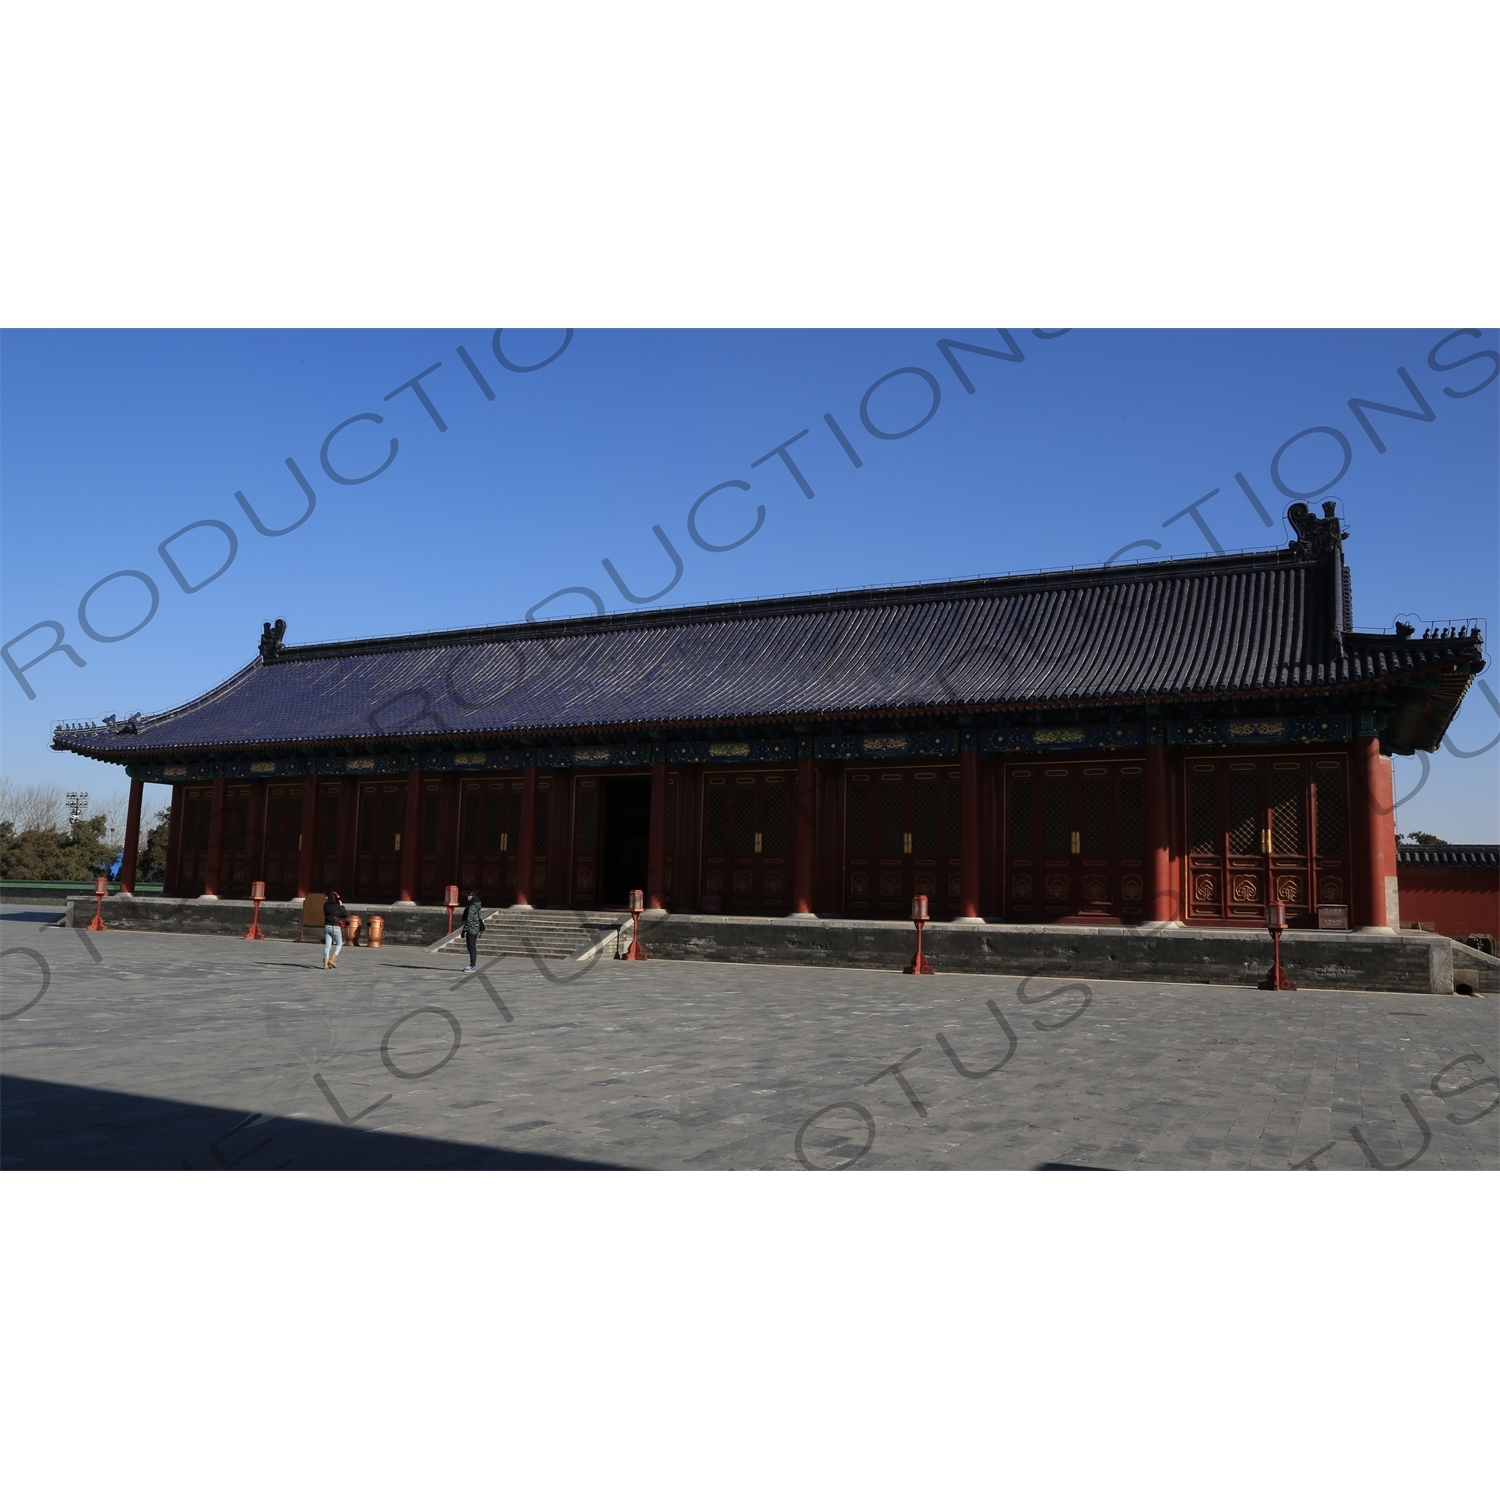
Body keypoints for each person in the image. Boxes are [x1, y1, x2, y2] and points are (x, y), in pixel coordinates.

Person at [458, 889, 485, 972]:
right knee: (472, 947)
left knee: (471, 947)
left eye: (471, 895)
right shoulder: (478, 904)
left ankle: (472, 965)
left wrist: (464, 930)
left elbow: (469, 920)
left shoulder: (472, 907)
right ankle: (472, 965)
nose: (469, 896)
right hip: (476, 928)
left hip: (471, 929)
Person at [322, 890, 349, 969]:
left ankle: (325, 963)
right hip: (336, 927)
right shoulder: (338, 906)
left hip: (327, 926)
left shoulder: (325, 906)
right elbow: (344, 914)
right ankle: (332, 959)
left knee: (327, 946)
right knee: (339, 944)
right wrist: (341, 906)